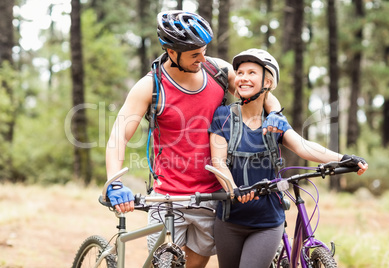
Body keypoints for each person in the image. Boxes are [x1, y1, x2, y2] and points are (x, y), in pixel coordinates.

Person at [105, 11, 284, 268]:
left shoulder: (218, 71)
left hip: (212, 197)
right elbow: (118, 136)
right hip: (167, 197)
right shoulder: (151, 86)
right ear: (170, 51)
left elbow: (262, 93)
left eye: (204, 50)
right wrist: (115, 183)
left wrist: (275, 113)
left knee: (196, 264)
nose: (202, 58)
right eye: (194, 54)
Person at [208, 48, 369, 268]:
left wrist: (343, 158)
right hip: (229, 221)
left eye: (252, 73)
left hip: (266, 223)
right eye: (240, 73)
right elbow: (218, 161)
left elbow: (304, 147)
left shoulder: (276, 121)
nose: (243, 77)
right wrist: (233, 189)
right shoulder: (222, 117)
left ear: (268, 82)